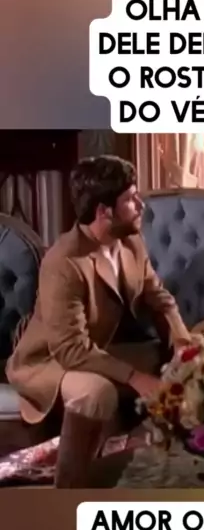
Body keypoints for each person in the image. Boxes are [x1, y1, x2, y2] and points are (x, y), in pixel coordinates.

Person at [7, 155, 192, 487]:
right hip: (50, 361)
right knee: (96, 392)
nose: (141, 205)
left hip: (98, 350)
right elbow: (70, 349)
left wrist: (181, 344)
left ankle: (164, 470)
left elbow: (158, 297)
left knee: (198, 361)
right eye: (130, 199)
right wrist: (135, 377)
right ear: (104, 211)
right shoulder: (64, 262)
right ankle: (69, 491)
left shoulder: (130, 241)